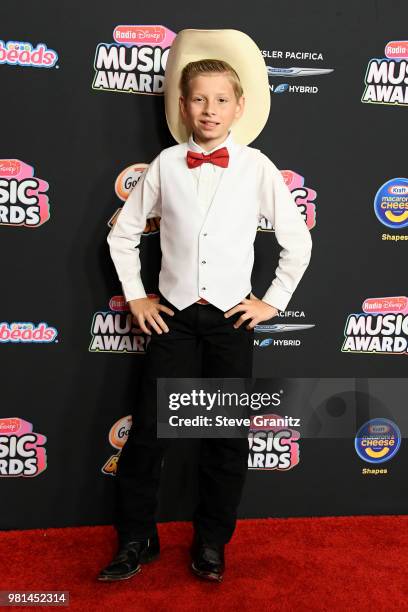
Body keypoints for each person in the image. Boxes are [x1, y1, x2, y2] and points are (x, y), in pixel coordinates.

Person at [97, 28, 312, 583]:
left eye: (221, 99)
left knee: (224, 436)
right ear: (182, 105)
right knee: (149, 431)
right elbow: (122, 237)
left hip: (228, 321)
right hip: (170, 315)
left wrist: (271, 301)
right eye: (198, 98)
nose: (209, 109)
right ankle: (136, 539)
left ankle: (212, 542)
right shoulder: (166, 164)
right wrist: (139, 294)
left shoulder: (257, 167)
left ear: (240, 106)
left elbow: (298, 240)